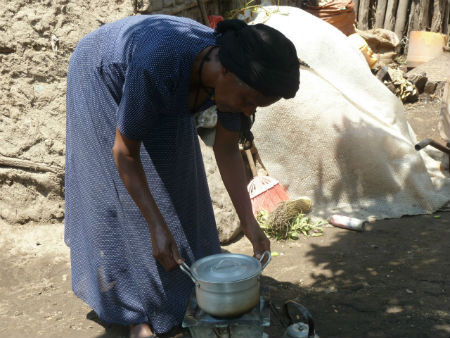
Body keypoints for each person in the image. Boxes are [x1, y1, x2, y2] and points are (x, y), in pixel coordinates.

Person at [65, 14, 299, 338]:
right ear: (226, 71)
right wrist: (156, 225)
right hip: (103, 74)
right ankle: (135, 313)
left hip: (165, 79)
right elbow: (125, 153)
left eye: (255, 107)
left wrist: (250, 223)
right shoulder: (159, 63)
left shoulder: (230, 80)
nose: (247, 111)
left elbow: (228, 149)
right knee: (126, 198)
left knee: (180, 184)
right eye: (247, 101)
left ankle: (180, 292)